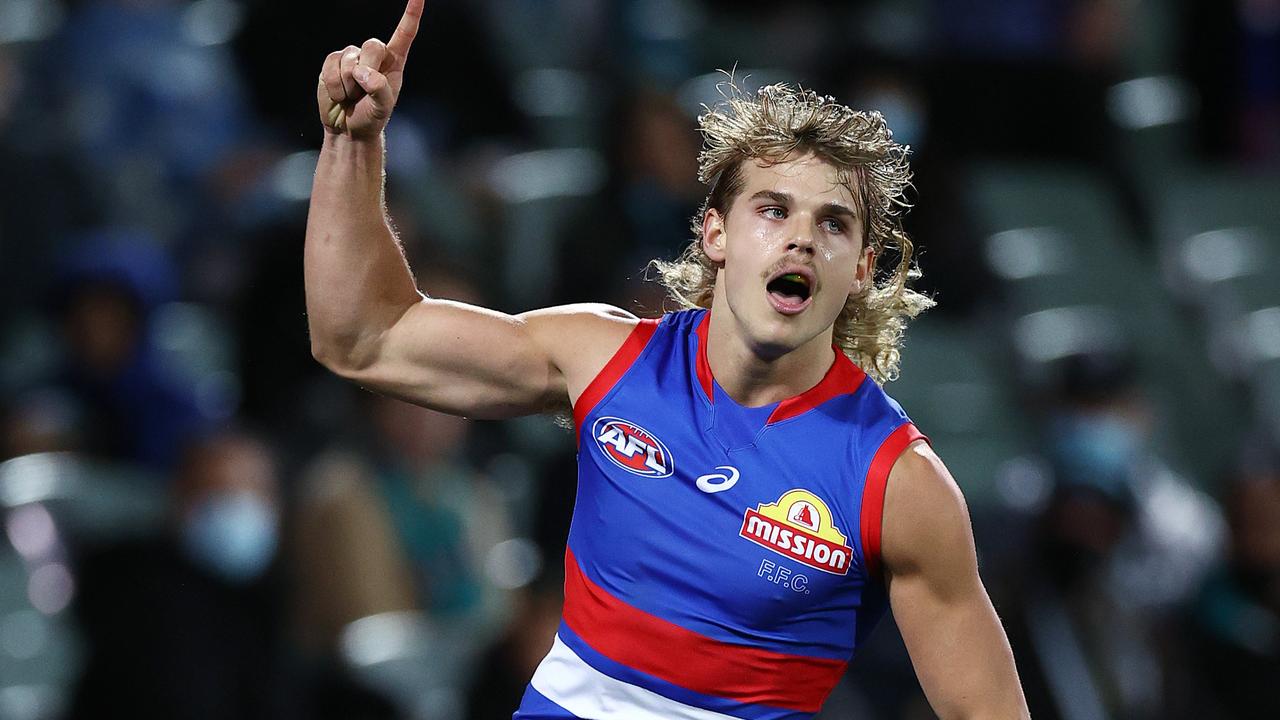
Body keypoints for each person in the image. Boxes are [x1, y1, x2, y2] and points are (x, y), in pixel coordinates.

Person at [304, 2, 1029, 717]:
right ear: (716, 233)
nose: (801, 238)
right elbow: (362, 338)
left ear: (863, 268)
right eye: (773, 210)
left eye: (833, 223)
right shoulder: (601, 358)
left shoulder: (899, 484)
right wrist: (352, 143)